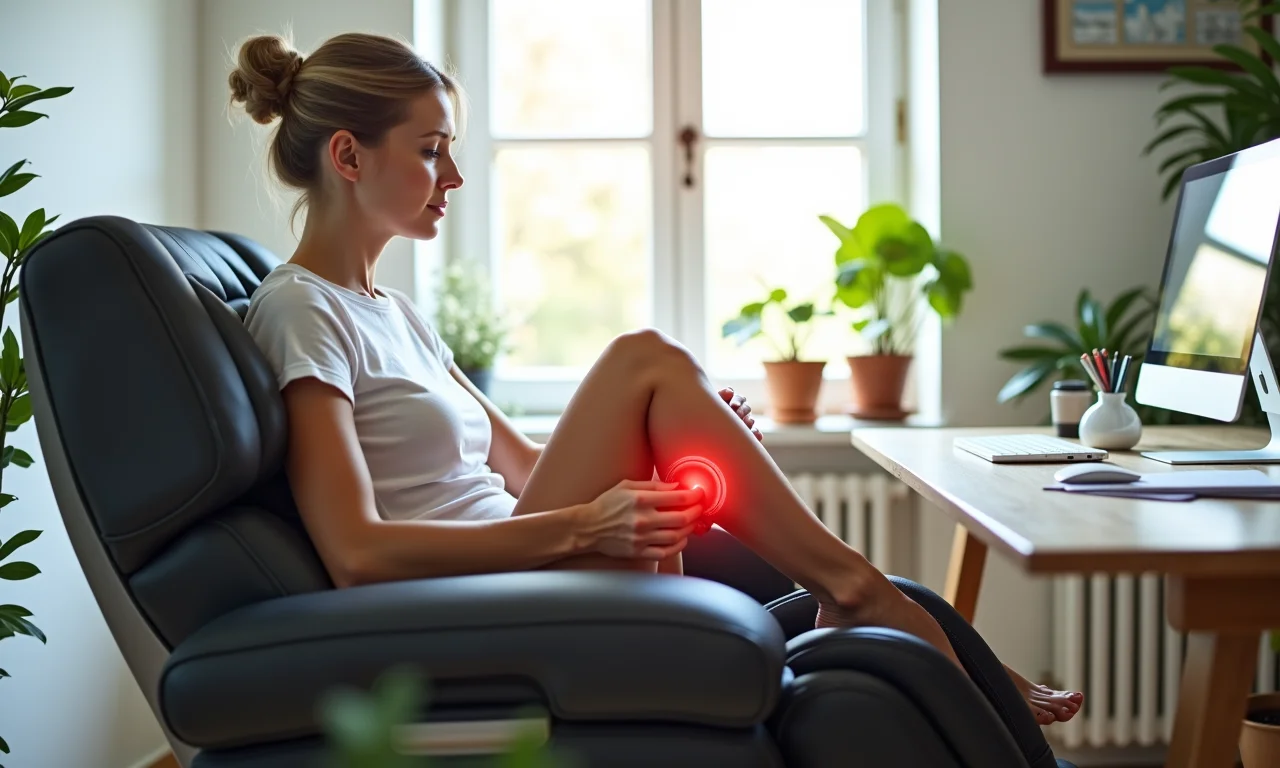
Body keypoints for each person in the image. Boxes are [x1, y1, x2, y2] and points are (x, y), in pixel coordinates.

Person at [234, 31, 1082, 726]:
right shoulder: (302, 311)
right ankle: (848, 588)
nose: (452, 176)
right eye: (431, 152)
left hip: (524, 563)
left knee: (660, 381)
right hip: (480, 602)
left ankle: (855, 592)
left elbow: (527, 469)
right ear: (348, 155)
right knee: (642, 358)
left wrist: (692, 433)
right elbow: (355, 552)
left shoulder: (394, 311)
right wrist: (581, 528)